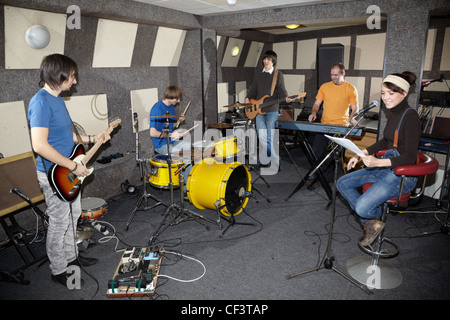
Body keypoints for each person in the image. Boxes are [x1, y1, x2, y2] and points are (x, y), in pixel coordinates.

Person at [27, 54, 111, 287]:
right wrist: (74, 165)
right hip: (54, 174)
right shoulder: (40, 102)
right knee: (59, 222)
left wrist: (95, 138)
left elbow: (70, 136)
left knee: (73, 217)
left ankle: (72, 257)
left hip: (68, 171)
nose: (74, 82)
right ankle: (58, 269)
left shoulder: (58, 100)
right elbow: (39, 145)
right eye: (72, 77)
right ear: (58, 76)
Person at [336, 71, 421, 246]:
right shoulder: (393, 113)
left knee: (361, 207)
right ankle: (372, 222)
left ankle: (372, 218)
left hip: (401, 175)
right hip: (385, 169)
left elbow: (411, 156)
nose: (386, 98)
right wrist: (362, 154)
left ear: (404, 93)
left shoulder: (410, 116)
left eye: (391, 93)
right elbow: (385, 141)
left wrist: (378, 162)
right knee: (342, 183)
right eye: (383, 93)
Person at [308, 62, 359, 182]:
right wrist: (314, 113)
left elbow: (355, 109)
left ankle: (329, 180)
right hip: (324, 125)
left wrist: (351, 119)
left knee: (333, 155)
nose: (333, 77)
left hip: (340, 127)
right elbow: (316, 104)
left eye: (336, 75)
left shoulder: (350, 88)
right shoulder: (324, 87)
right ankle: (316, 175)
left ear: (343, 73)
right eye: (331, 75)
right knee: (316, 151)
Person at [244, 50, 292, 172]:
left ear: (273, 62)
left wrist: (286, 97)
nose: (266, 61)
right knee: (262, 136)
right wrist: (247, 97)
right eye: (265, 59)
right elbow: (253, 89)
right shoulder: (258, 74)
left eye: (269, 59)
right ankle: (275, 160)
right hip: (258, 110)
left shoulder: (278, 74)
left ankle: (268, 160)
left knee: (269, 137)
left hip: (272, 110)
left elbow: (281, 90)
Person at [149, 86, 190, 155]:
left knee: (188, 146)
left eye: (179, 99)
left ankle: (187, 165)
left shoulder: (171, 107)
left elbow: (170, 126)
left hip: (171, 141)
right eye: (177, 99)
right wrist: (172, 135)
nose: (179, 101)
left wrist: (179, 121)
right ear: (169, 97)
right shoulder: (157, 109)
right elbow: (152, 133)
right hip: (160, 144)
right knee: (177, 153)